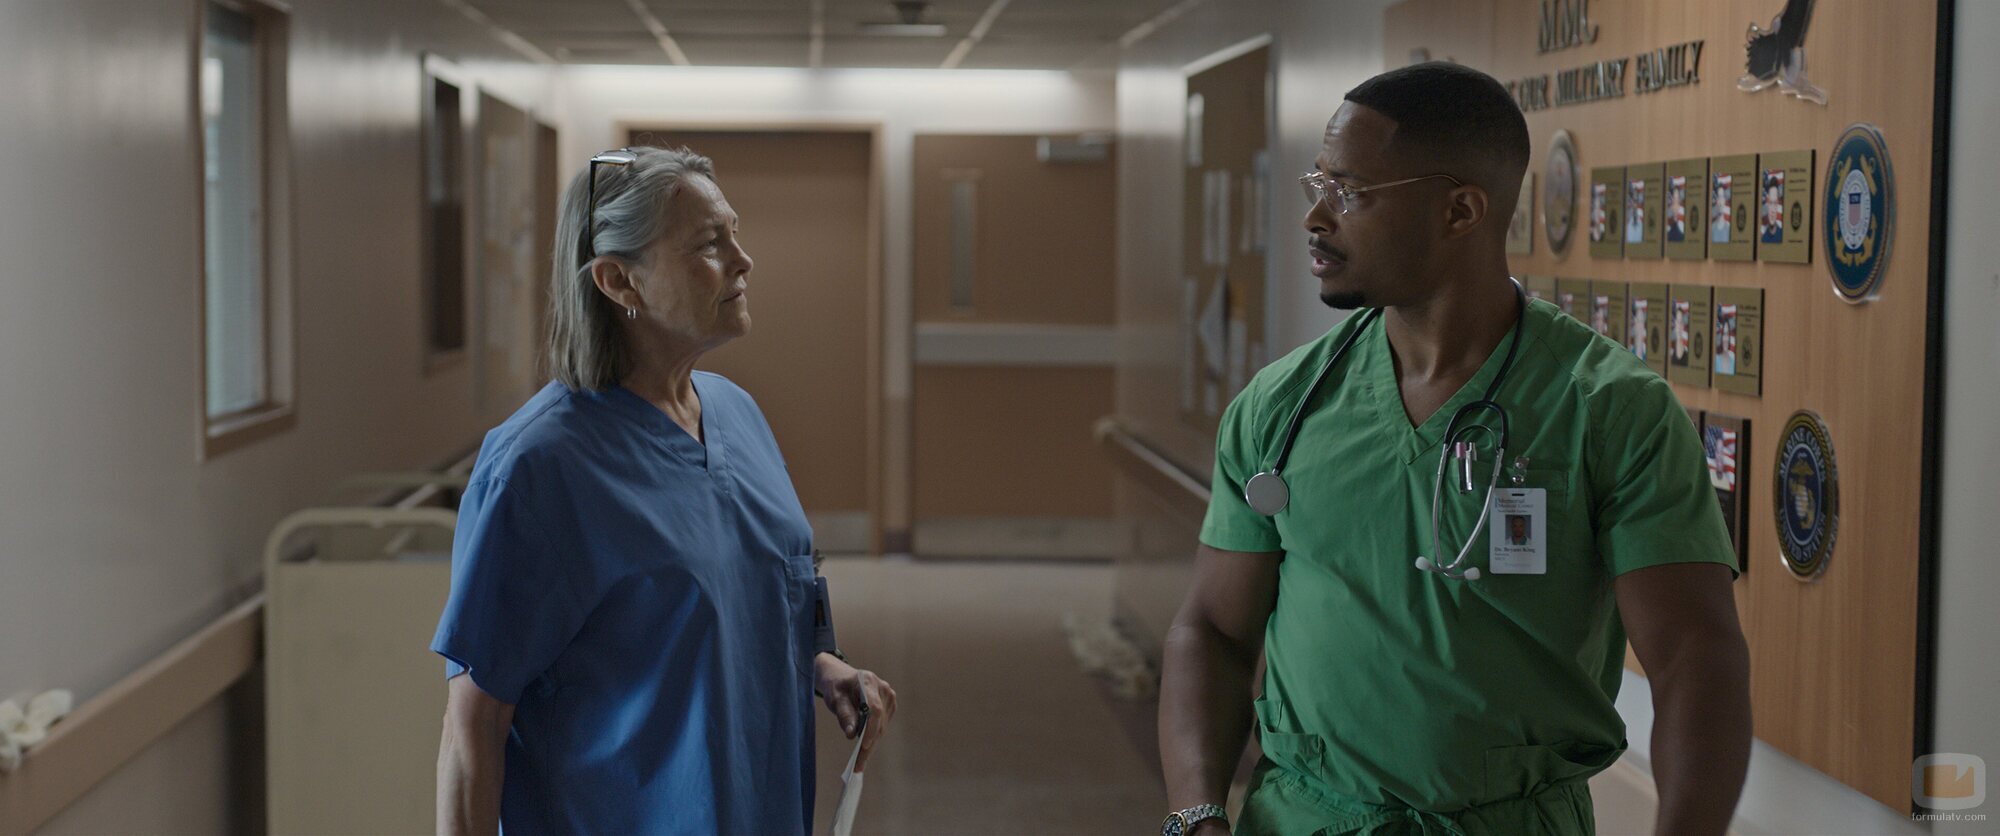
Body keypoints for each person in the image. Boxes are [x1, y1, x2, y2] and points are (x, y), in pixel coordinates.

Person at [1157, 64, 1749, 836]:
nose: (1314, 217)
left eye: (1349, 192)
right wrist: (1197, 812)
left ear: (1461, 210)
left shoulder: (1610, 410)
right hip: (1304, 819)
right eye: (1318, 183)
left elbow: (1693, 663)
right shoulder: (1281, 407)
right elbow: (1213, 630)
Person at [432, 146, 897, 835]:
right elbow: (475, 725)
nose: (743, 260)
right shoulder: (541, 467)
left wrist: (818, 665)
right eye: (710, 244)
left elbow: (734, 602)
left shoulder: (736, 414)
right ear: (621, 280)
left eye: (734, 234)